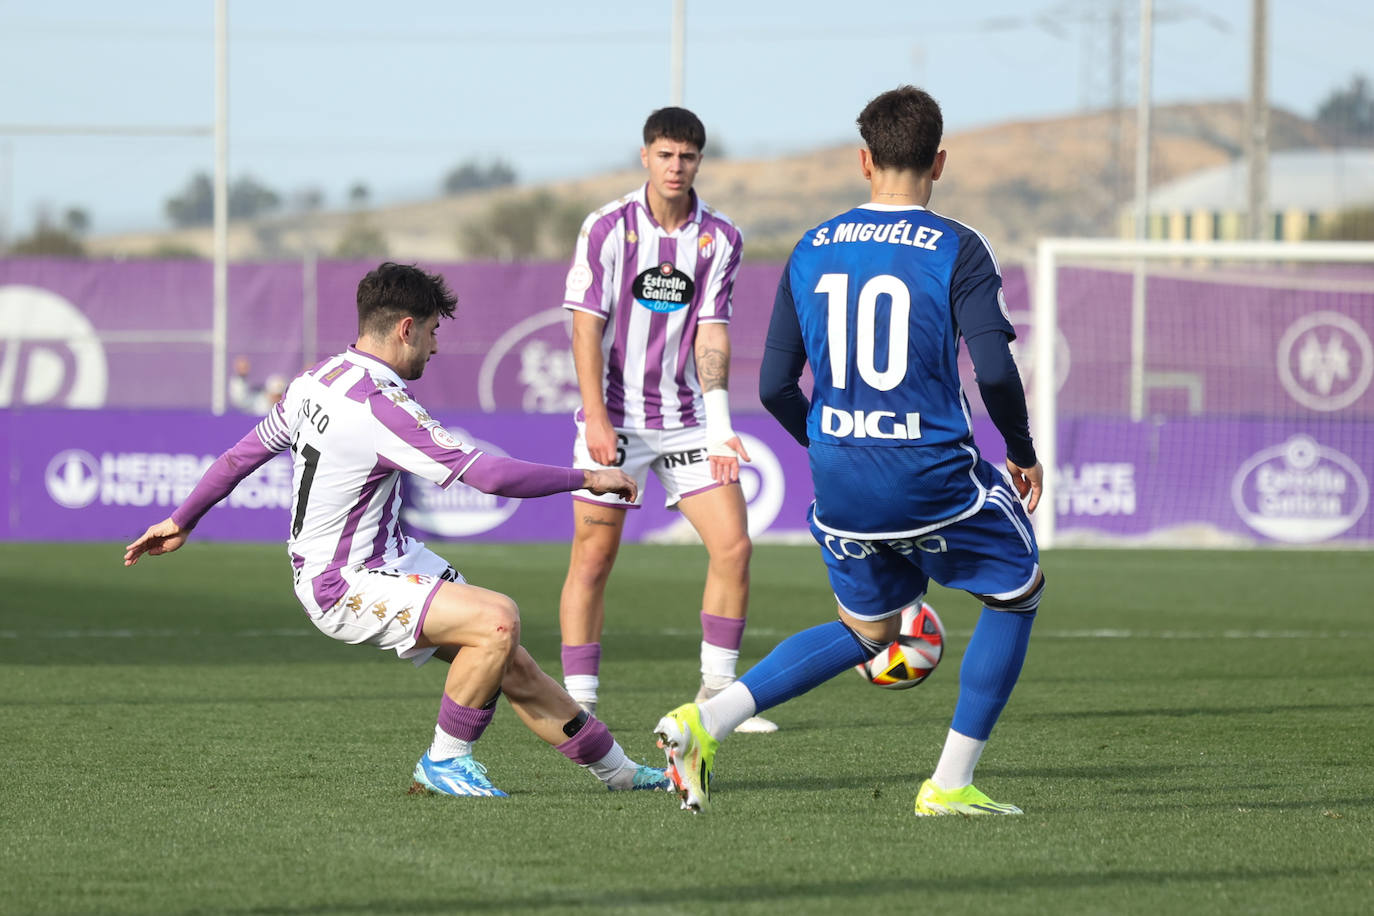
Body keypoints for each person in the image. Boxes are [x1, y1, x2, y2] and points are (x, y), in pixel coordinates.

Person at [124, 262, 670, 798]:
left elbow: (239, 456)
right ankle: (445, 761)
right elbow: (490, 476)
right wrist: (588, 476)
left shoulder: (315, 380)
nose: (434, 347)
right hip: (344, 581)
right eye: (433, 332)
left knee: (510, 661)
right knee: (498, 622)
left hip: (392, 559)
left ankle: (618, 771)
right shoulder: (380, 407)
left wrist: (180, 520)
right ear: (406, 328)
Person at [654, 86, 1045, 815]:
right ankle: (950, 785)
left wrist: (831, 442)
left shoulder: (811, 247)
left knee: (869, 630)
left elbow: (773, 386)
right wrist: (1021, 451)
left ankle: (705, 720)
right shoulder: (958, 246)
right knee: (1016, 590)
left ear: (864, 161)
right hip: (932, 474)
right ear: (940, 162)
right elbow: (993, 369)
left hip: (839, 479)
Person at [557, 106, 774, 733]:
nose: (676, 166)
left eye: (688, 156)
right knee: (593, 560)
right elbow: (585, 328)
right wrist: (596, 418)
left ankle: (718, 693)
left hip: (685, 421)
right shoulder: (606, 228)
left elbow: (712, 333)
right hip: (616, 422)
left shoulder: (720, 238)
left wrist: (720, 424)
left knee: (733, 546)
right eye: (665, 154)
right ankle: (580, 702)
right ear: (645, 156)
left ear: (699, 161)